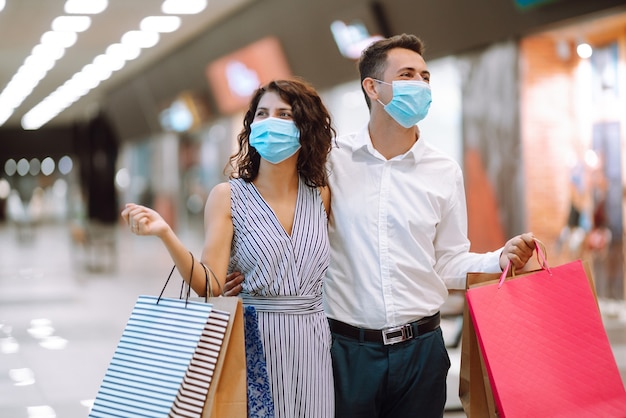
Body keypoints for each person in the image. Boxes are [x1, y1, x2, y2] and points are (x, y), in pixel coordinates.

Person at [226, 34, 536, 417]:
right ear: (372, 87)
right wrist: (237, 266)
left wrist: (497, 259)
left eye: (425, 76)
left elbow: (448, 259)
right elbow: (274, 210)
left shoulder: (443, 171)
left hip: (422, 351)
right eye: (406, 74)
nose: (420, 85)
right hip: (344, 352)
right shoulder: (329, 164)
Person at [121, 78, 336, 418]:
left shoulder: (320, 194)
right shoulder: (228, 197)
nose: (270, 122)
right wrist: (166, 234)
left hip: (313, 343)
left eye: (283, 114)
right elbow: (210, 283)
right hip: (253, 342)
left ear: (304, 127)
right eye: (262, 114)